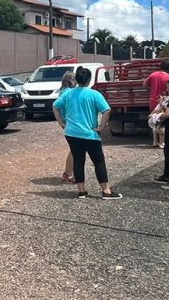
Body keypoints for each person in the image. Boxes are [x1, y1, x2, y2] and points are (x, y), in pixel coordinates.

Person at [52, 67, 122, 200]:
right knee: (98, 161)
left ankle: (81, 191)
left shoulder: (68, 93)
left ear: (77, 79)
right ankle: (106, 190)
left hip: (72, 133)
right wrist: (101, 126)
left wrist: (61, 123)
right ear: (89, 80)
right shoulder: (94, 94)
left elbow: (55, 106)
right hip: (89, 133)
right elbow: (106, 110)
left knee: (78, 160)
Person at [59, 70, 77, 183]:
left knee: (74, 150)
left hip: (67, 123)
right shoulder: (69, 92)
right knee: (75, 150)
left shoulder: (63, 91)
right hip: (71, 123)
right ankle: (69, 174)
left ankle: (67, 172)